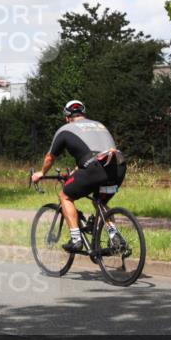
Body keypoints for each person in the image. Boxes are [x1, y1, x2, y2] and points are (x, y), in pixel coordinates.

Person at [30, 100, 126, 252]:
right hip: (118, 166)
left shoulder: (65, 129)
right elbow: (95, 152)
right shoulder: (99, 125)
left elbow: (50, 157)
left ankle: (76, 239)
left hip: (95, 168)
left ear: (67, 117)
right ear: (84, 114)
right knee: (100, 201)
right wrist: (78, 169)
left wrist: (41, 173)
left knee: (65, 196)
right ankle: (115, 237)